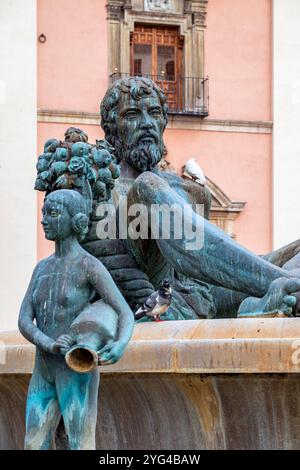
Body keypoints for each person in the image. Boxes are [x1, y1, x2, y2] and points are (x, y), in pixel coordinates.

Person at [100, 76, 300, 319]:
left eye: (154, 113)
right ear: (112, 127)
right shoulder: (101, 186)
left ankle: (269, 296)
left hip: (194, 303)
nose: (147, 123)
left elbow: (204, 278)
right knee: (148, 184)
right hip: (142, 301)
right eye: (132, 115)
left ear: (163, 121)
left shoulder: (192, 191)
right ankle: (284, 284)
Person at [18, 189, 134, 450]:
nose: (44, 219)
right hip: (44, 366)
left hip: (76, 368)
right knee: (33, 443)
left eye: (53, 213)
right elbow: (24, 319)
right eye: (44, 213)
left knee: (80, 443)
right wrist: (46, 343)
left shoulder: (89, 266)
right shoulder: (41, 268)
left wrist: (120, 344)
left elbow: (124, 311)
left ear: (76, 221)